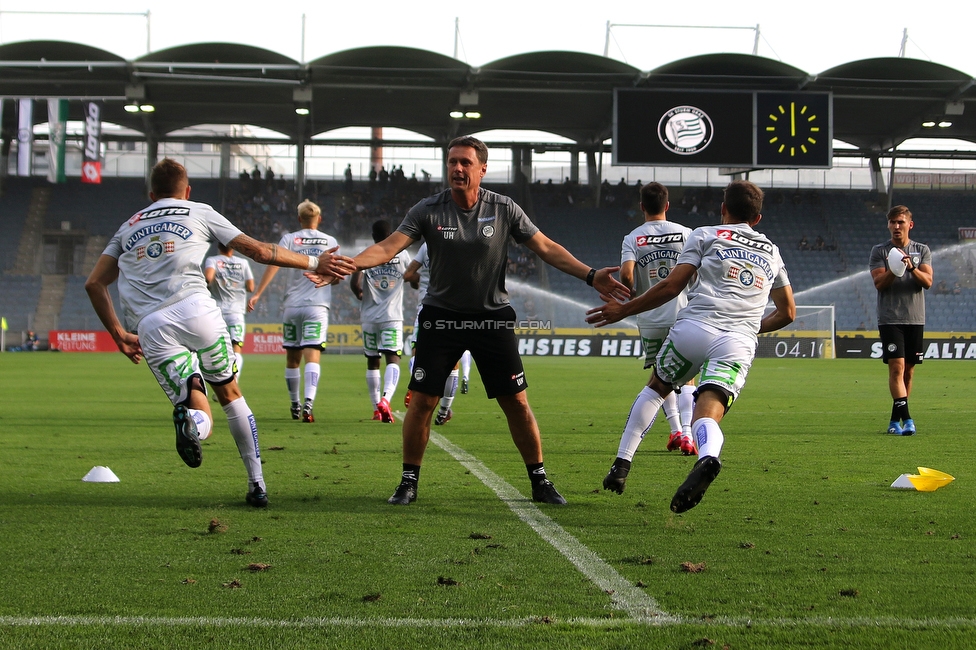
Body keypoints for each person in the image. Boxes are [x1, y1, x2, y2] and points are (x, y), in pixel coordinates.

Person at [312, 136, 629, 506]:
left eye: (465, 162)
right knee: (423, 402)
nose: (457, 169)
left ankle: (539, 480)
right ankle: (408, 481)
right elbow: (388, 247)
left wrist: (591, 276)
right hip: (440, 319)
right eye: (451, 162)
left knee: (517, 403)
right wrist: (350, 263)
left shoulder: (504, 208)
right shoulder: (428, 209)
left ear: (482, 168)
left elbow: (546, 248)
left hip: (492, 319)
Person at [85, 158, 353, 507]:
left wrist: (119, 334)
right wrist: (316, 262)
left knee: (193, 396)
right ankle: (257, 484)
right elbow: (258, 251)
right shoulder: (199, 211)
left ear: (151, 194)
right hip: (200, 311)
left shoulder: (127, 226)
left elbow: (94, 284)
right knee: (229, 393)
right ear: (187, 190)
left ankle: (193, 425)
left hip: (152, 326)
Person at [587, 180, 795, 514]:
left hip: (695, 328)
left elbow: (671, 286)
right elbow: (788, 312)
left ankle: (621, 466)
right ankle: (708, 458)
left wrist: (623, 309)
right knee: (709, 410)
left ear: (723, 209)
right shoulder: (772, 250)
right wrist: (750, 328)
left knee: (657, 387)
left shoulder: (705, 234)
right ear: (757, 219)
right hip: (738, 341)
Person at [602, 182, 697, 496]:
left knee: (660, 377)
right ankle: (686, 435)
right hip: (683, 315)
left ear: (642, 206)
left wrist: (634, 291)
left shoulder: (633, 237)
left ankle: (675, 431)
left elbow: (627, 276)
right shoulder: (686, 233)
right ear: (667, 205)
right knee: (688, 379)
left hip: (650, 318)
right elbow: (696, 274)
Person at [247, 199, 343, 423]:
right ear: (319, 219)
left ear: (299, 219)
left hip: (292, 305)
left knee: (292, 358)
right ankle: (308, 403)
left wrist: (258, 293)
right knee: (312, 355)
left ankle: (294, 403)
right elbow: (336, 277)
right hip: (317, 306)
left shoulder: (289, 239)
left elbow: (274, 264)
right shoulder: (330, 241)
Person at [868, 205, 933, 436]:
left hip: (915, 318)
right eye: (893, 222)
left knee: (909, 373)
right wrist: (894, 269)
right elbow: (879, 284)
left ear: (910, 225)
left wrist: (911, 268)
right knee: (897, 368)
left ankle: (895, 421)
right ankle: (908, 419)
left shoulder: (921, 250)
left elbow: (927, 282)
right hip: (890, 318)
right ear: (888, 225)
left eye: (901, 222)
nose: (897, 226)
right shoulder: (879, 251)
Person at [351, 220, 411, 423]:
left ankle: (376, 409)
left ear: (373, 235)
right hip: (392, 317)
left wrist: (359, 293)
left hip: (369, 317)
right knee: (393, 358)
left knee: (372, 361)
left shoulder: (367, 253)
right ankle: (385, 400)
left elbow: (354, 282)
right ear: (392, 233)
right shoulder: (402, 254)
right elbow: (413, 277)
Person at [402, 241, 461, 424]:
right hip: (454, 310)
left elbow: (408, 274)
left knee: (418, 354)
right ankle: (444, 410)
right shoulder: (462, 244)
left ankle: (416, 384)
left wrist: (420, 282)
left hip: (427, 308)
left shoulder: (427, 245)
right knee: (453, 363)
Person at [204, 243, 254, 383]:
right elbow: (250, 287)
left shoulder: (212, 260)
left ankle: (218, 381)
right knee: (236, 347)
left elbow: (208, 278)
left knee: (216, 348)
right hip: (236, 312)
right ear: (233, 248)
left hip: (217, 312)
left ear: (218, 247)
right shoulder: (243, 262)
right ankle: (233, 381)